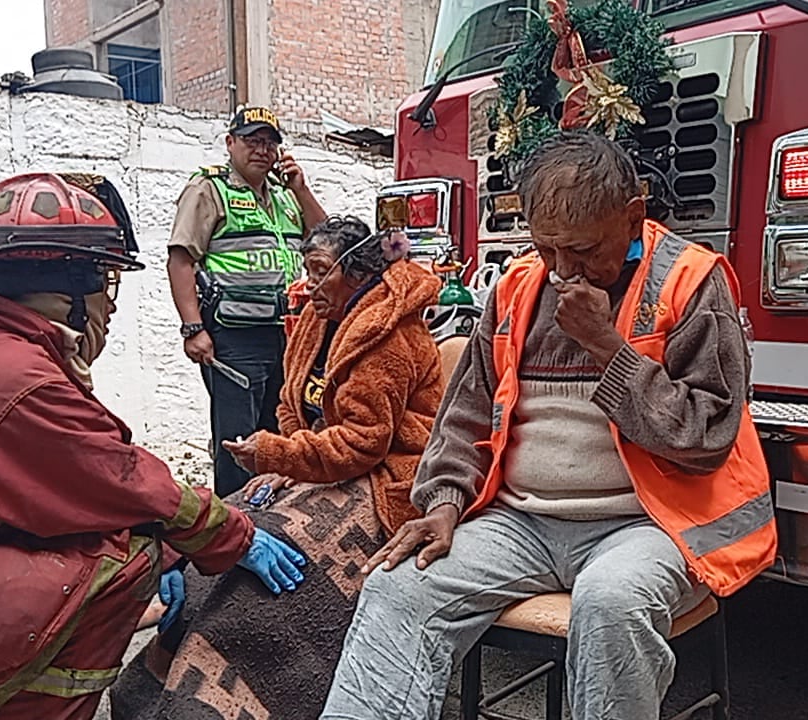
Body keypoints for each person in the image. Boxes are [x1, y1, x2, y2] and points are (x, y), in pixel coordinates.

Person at [321, 131, 778, 720]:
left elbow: (706, 435)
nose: (565, 271)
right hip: (522, 524)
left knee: (612, 603)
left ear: (632, 216)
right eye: (548, 249)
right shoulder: (515, 287)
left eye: (585, 251)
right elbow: (464, 417)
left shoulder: (692, 282)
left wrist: (606, 347)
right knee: (399, 586)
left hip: (649, 523)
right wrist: (442, 503)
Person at [0, 173, 307, 720]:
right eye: (105, 285)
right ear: (67, 292)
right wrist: (230, 537)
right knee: (125, 560)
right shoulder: (22, 378)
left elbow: (69, 492)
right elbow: (124, 480)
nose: (110, 309)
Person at [111, 216, 445, 719]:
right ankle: (152, 693)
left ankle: (216, 703)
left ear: (353, 272)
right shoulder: (318, 316)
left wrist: (276, 456)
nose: (308, 285)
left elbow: (365, 445)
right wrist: (284, 457)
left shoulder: (391, 336)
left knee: (272, 558)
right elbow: (292, 403)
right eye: (306, 270)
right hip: (323, 463)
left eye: (317, 271)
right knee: (236, 521)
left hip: (386, 479)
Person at [168, 104, 329, 497]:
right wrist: (193, 329)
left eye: (270, 143)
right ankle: (233, 523)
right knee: (238, 437)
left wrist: (301, 189)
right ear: (230, 143)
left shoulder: (286, 195)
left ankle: (274, 513)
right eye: (252, 141)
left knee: (282, 430)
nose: (262, 150)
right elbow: (181, 259)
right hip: (233, 336)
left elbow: (328, 239)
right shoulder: (209, 188)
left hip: (289, 335)